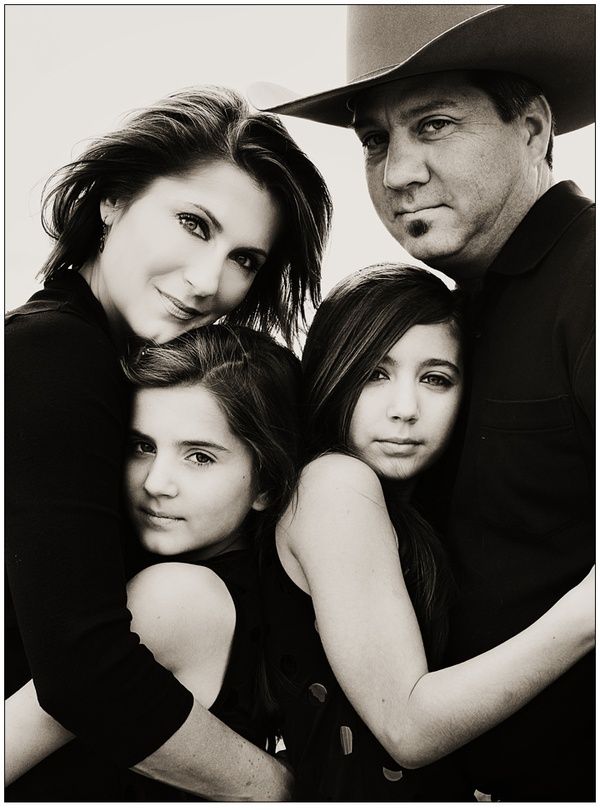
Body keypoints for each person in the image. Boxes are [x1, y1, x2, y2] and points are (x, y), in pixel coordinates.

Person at [252, 5, 595, 800]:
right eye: (375, 141)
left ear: (535, 129)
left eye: (433, 125)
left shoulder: (590, 280)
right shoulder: (453, 312)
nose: (396, 172)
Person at [5, 84, 331, 801]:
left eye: (246, 259)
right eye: (193, 222)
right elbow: (83, 669)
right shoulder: (55, 353)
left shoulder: (108, 360)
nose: (208, 280)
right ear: (112, 200)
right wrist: (277, 789)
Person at [260, 263, 594, 801]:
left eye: (436, 378)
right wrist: (588, 610)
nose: (405, 410)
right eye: (375, 373)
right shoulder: (335, 485)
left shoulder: (415, 506)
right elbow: (408, 729)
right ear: (331, 371)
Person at [6, 324, 303, 800]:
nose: (156, 483)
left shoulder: (175, 595)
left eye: (200, 457)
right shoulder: (253, 586)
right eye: (142, 446)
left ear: (267, 484)